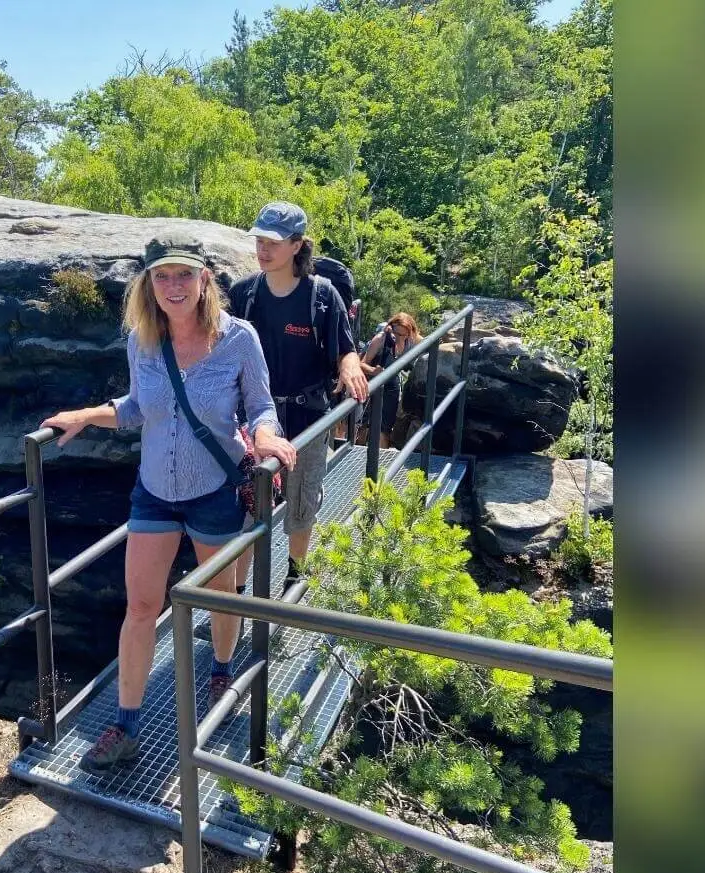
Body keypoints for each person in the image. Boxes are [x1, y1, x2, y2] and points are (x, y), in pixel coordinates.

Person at [41, 231, 297, 775]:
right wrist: (89, 415)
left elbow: (261, 406)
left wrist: (269, 435)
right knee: (140, 607)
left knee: (221, 597)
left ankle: (222, 669)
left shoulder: (238, 339)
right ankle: (126, 725)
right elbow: (137, 407)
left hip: (212, 492)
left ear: (205, 278)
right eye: (163, 276)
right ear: (149, 283)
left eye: (184, 274)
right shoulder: (142, 340)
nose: (174, 285)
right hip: (154, 491)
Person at [227, 202, 369, 594]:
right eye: (259, 239)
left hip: (307, 416)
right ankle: (238, 592)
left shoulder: (321, 296)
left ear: (297, 245)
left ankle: (294, 576)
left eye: (273, 241)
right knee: (249, 503)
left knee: (301, 499)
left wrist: (350, 366)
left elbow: (344, 346)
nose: (263, 248)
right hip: (256, 418)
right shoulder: (244, 295)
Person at [359, 312, 421, 449]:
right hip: (371, 383)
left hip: (391, 385)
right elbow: (361, 363)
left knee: (385, 428)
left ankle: (381, 466)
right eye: (396, 333)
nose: (399, 337)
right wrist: (373, 371)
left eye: (403, 335)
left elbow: (423, 341)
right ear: (390, 327)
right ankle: (358, 455)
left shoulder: (410, 341)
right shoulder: (381, 338)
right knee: (363, 425)